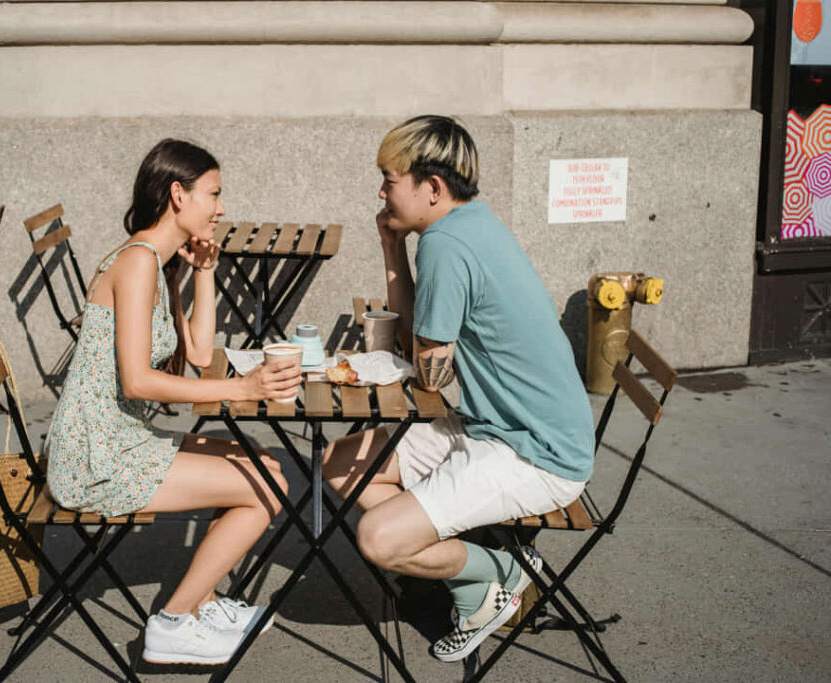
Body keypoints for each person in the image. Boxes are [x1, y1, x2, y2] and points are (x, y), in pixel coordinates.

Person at [323, 116, 595, 662]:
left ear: (431, 186)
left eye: (390, 178)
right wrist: (390, 244)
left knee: (377, 539)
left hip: (537, 453)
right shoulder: (470, 223)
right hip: (496, 427)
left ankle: (504, 572)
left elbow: (426, 374)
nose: (381, 191)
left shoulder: (447, 245)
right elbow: (419, 346)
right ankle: (471, 583)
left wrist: (401, 359)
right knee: (341, 464)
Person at [45, 139, 301, 666]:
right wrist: (243, 389)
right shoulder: (137, 263)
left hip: (117, 438)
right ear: (177, 195)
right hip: (96, 455)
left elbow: (200, 352)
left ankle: (204, 605)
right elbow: (139, 382)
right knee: (267, 484)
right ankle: (174, 622)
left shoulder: (155, 263)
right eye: (214, 193)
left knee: (261, 460)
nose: (222, 207)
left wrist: (204, 273)